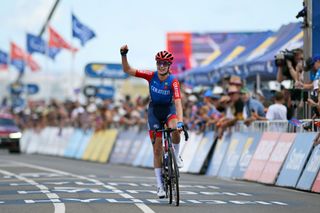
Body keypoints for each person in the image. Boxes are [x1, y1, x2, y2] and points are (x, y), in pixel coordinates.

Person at [120, 45, 184, 198]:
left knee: (175, 129)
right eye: (159, 63)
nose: (161, 66)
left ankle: (177, 154)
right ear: (157, 64)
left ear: (169, 66)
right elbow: (128, 70)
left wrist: (181, 121)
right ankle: (159, 185)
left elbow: (178, 103)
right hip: (154, 111)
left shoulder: (173, 81)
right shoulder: (150, 75)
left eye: (165, 64)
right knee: (157, 150)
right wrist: (124, 55)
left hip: (169, 110)